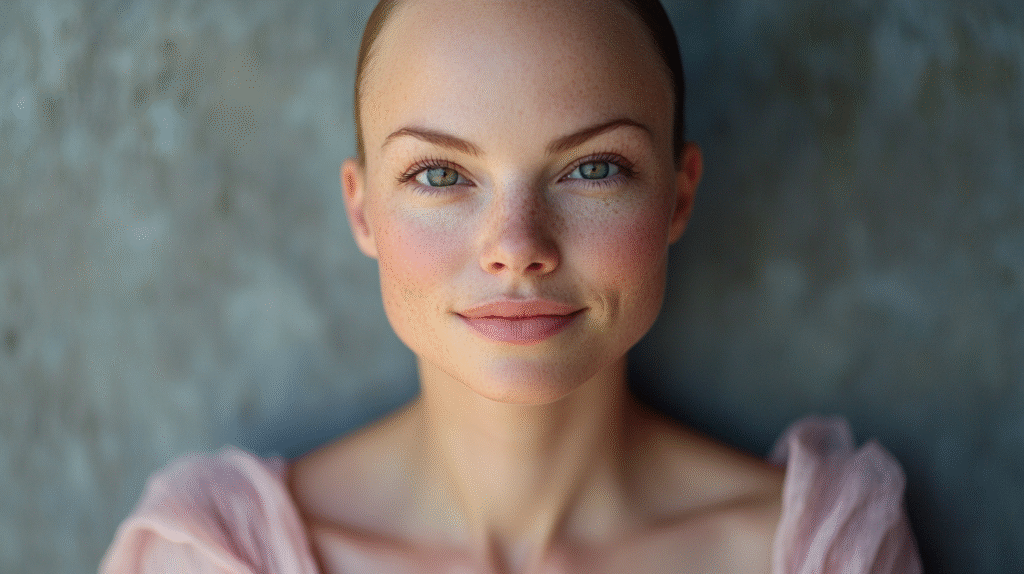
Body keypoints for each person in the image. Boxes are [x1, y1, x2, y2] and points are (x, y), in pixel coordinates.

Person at [99, 0, 923, 572]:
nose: (517, 248)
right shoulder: (207, 559)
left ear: (678, 195)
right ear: (362, 210)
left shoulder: (823, 555)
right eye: (439, 174)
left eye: (593, 169)